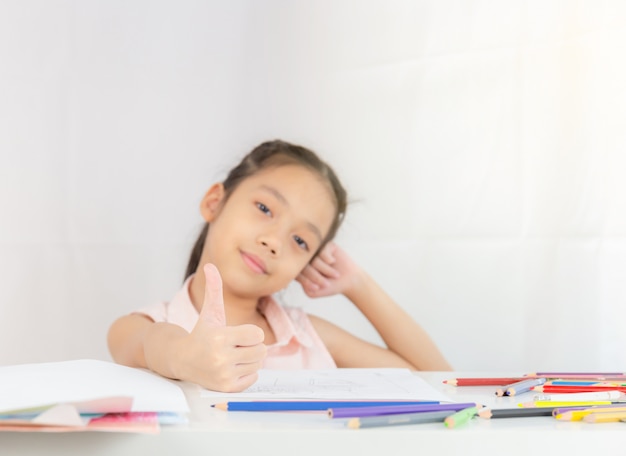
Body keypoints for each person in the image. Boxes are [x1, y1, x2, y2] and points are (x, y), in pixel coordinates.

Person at [107, 139, 451, 393]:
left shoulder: (310, 338)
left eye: (300, 242)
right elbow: (152, 344)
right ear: (215, 202)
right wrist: (185, 356)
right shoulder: (145, 325)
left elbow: (440, 380)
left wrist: (358, 285)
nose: (274, 240)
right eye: (265, 208)